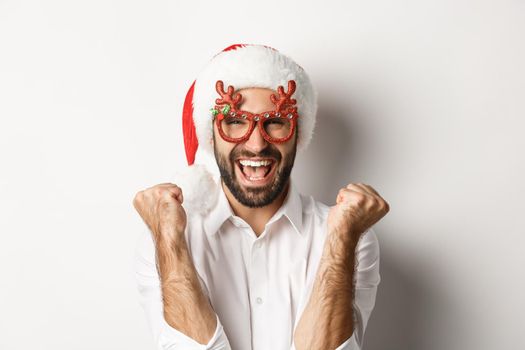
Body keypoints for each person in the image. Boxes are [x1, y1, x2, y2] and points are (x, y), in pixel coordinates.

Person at [132, 43, 390, 350]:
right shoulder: (167, 239)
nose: (256, 145)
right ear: (211, 136)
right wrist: (170, 241)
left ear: (297, 134)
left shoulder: (349, 236)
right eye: (236, 121)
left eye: (275, 122)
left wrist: (343, 239)